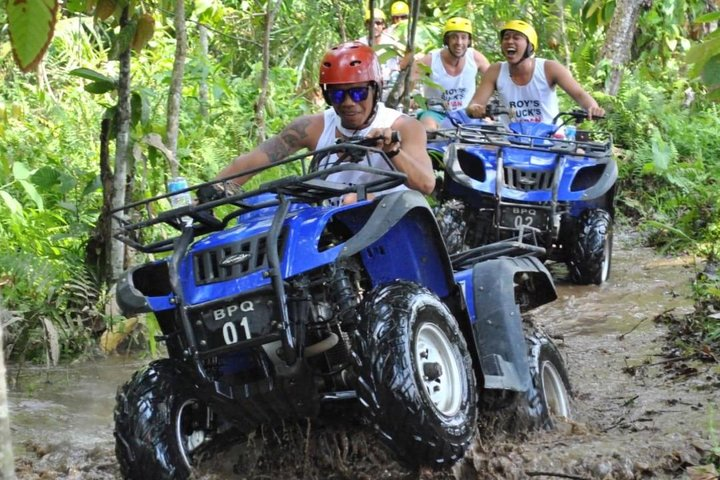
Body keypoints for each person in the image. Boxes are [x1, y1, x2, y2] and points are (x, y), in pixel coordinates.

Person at [209, 42, 435, 204]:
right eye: (337, 95)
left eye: (357, 93)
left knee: (351, 201)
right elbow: (254, 160)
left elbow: (426, 184)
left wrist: (393, 151)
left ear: (375, 89)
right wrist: (214, 189)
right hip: (327, 224)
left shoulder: (404, 127)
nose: (347, 103)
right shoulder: (311, 127)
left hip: (389, 221)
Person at [466, 20, 605, 124]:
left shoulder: (549, 68)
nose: (509, 41)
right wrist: (475, 109)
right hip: (510, 140)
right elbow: (474, 105)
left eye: (516, 38)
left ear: (530, 46)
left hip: (550, 138)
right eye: (506, 37)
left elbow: (580, 94)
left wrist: (593, 108)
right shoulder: (495, 71)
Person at [414, 17, 490, 130]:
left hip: (467, 113)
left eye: (463, 37)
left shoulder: (475, 58)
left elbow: (494, 81)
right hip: (435, 112)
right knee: (428, 128)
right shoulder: (431, 60)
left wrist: (484, 105)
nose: (459, 42)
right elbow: (408, 82)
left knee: (489, 132)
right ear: (447, 40)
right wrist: (413, 98)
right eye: (454, 37)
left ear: (469, 41)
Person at [357, 8, 404, 102]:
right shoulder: (360, 44)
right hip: (367, 86)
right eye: (371, 23)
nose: (374, 26)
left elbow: (405, 61)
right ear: (366, 25)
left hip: (389, 86)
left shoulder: (393, 43)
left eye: (378, 23)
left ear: (383, 25)